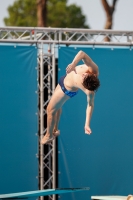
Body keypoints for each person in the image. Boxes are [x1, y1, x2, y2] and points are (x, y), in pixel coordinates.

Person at [41, 50, 100, 144]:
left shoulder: (90, 92)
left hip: (66, 90)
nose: (82, 75)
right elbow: (82, 53)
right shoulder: (94, 68)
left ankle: (48, 135)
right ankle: (55, 130)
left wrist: (87, 124)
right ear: (93, 74)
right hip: (64, 79)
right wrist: (73, 64)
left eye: (83, 79)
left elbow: (90, 105)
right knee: (57, 108)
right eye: (85, 75)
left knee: (50, 110)